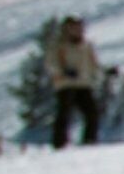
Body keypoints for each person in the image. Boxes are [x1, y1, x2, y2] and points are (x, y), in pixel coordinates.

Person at [41, 15, 104, 148]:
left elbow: (94, 64)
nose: (77, 30)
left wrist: (105, 72)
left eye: (79, 27)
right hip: (66, 83)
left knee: (92, 113)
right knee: (64, 112)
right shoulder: (59, 45)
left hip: (83, 83)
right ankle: (60, 143)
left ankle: (90, 141)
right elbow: (51, 63)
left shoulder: (86, 45)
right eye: (73, 27)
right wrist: (63, 71)